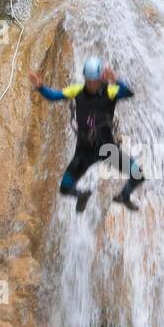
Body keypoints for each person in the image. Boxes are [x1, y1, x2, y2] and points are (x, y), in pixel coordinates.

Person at [30, 56, 143, 211]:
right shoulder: (77, 90)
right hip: (84, 151)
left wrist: (115, 79)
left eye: (94, 80)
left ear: (101, 78)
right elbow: (54, 96)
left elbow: (129, 92)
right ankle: (82, 195)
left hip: (107, 148)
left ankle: (124, 196)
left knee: (138, 175)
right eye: (88, 80)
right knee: (65, 188)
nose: (91, 84)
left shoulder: (110, 91)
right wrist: (41, 87)